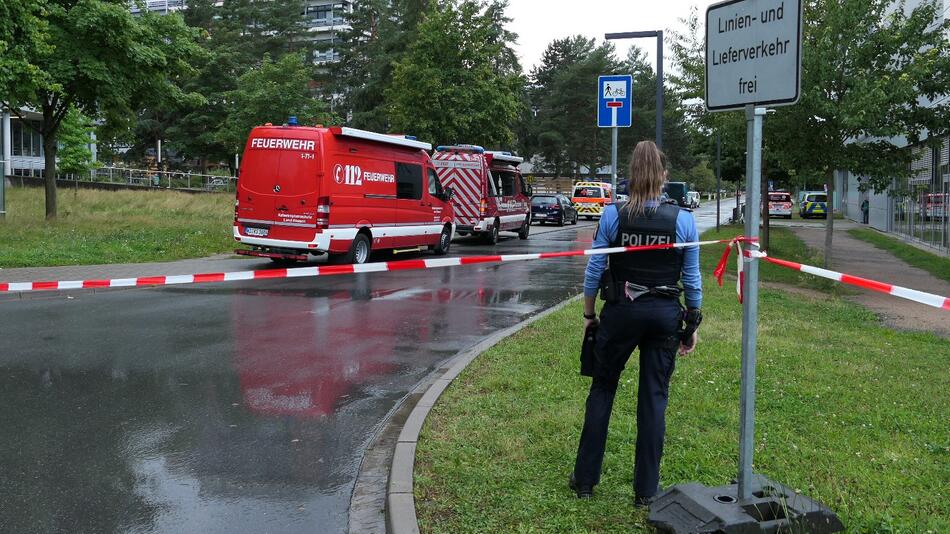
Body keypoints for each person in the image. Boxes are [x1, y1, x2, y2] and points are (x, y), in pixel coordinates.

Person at [569, 140, 702, 506]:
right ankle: (646, 492)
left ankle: (584, 481)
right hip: (664, 316)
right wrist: (691, 325)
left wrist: (588, 315)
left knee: (603, 388)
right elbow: (692, 279)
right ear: (663, 177)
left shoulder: (613, 215)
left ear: (630, 176)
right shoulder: (684, 220)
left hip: (621, 312)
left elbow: (595, 269)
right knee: (654, 399)